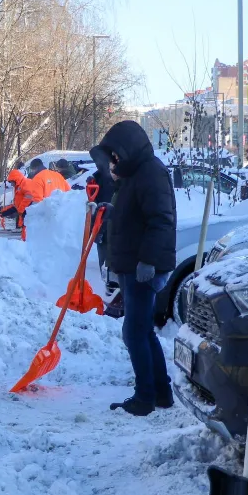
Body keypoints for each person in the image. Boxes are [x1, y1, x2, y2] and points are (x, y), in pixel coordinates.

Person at [96, 120, 176, 417]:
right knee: (143, 332)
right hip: (133, 264)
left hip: (143, 267)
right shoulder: (135, 174)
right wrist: (110, 211)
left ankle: (145, 397)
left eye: (116, 154)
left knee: (134, 333)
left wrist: (148, 261)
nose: (113, 160)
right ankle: (161, 393)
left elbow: (161, 220)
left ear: (128, 148)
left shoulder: (151, 173)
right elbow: (135, 213)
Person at [87, 146, 117, 271]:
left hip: (109, 224)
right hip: (101, 222)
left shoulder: (115, 177)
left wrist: (100, 230)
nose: (97, 164)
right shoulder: (99, 176)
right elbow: (95, 201)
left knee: (109, 261)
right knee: (103, 257)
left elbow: (109, 206)